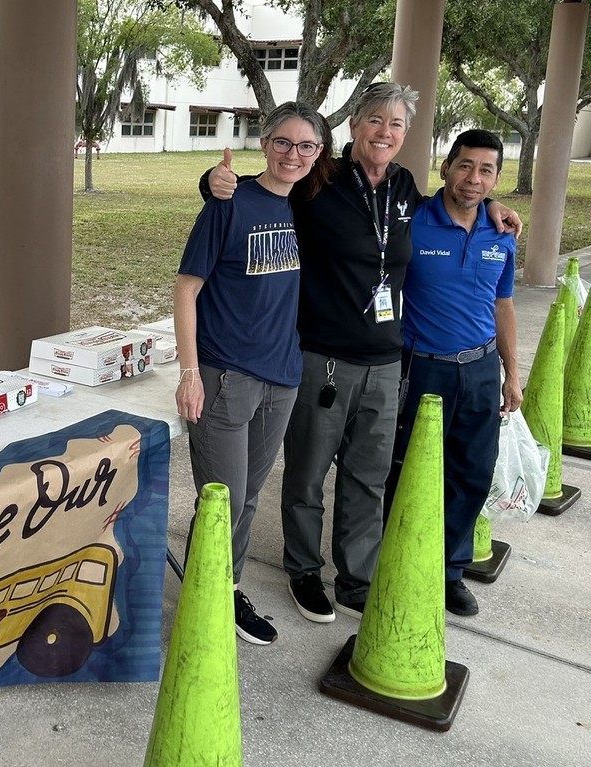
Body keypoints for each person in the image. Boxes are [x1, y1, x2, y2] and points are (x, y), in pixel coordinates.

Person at [201, 83, 521, 625]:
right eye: (376, 120)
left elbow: (454, 204)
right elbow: (261, 187)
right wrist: (211, 183)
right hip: (321, 357)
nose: (385, 133)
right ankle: (303, 569)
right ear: (354, 126)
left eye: (396, 125)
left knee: (367, 478)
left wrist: (491, 204)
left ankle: (356, 578)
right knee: (306, 473)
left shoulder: (404, 187)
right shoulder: (318, 178)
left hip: (387, 361)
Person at [175, 101, 335, 645]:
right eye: (284, 143)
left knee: (245, 497)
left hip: (283, 375)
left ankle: (216, 583)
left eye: (306, 146)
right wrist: (190, 371)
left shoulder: (311, 207)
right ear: (264, 144)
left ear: (319, 155)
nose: (294, 154)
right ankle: (216, 594)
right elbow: (187, 288)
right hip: (227, 376)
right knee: (221, 497)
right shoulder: (228, 201)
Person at [386, 129, 521, 617]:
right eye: (465, 166)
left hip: (481, 369)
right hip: (421, 369)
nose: (474, 178)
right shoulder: (413, 222)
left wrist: (512, 373)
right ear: (445, 167)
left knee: (472, 472)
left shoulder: (501, 232)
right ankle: (397, 557)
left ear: (496, 179)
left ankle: (449, 570)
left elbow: (503, 304)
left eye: (486, 170)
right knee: (407, 471)